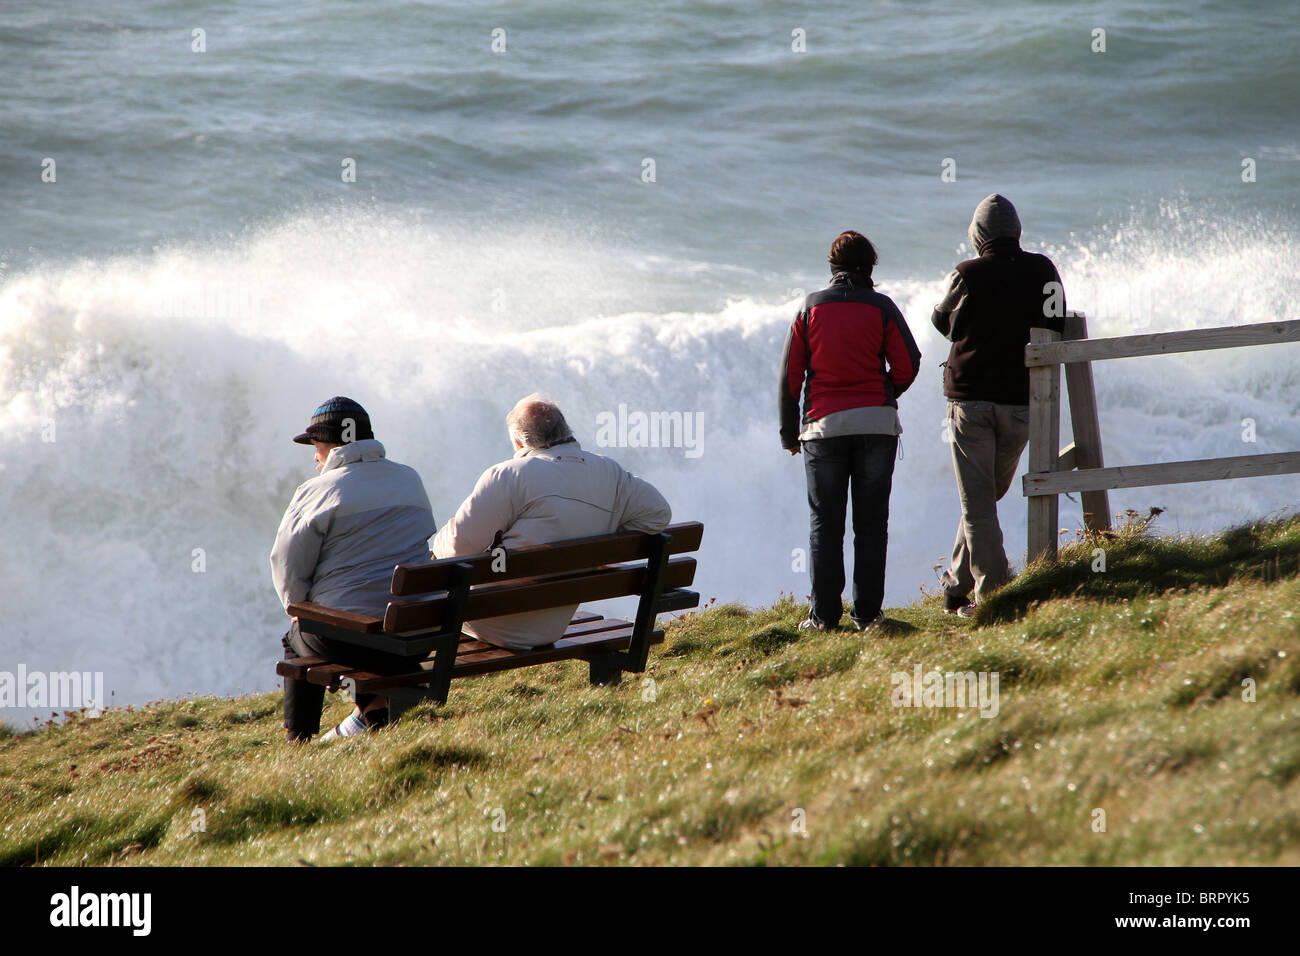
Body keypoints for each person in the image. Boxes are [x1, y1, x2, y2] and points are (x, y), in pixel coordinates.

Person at [433, 394, 671, 649]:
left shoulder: (508, 475)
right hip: (552, 624)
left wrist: (439, 542)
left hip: (495, 622)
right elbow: (658, 513)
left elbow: (458, 549)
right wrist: (605, 537)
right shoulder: (610, 472)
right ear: (567, 431)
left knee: (429, 580)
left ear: (518, 442)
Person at [270, 396, 436, 743]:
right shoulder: (410, 479)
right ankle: (372, 709)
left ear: (330, 445)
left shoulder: (316, 491)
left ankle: (297, 740)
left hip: (349, 643)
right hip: (414, 632)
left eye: (315, 446)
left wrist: (298, 607)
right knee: (363, 619)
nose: (315, 457)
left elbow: (286, 562)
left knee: (297, 635)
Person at [779, 231, 922, 632]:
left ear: (832, 268)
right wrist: (884, 392)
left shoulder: (810, 308)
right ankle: (867, 616)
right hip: (876, 428)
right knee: (871, 524)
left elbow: (791, 377)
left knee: (825, 524)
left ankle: (824, 618)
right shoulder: (882, 307)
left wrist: (790, 435)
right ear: (870, 268)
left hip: (823, 430)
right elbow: (909, 364)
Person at [931, 194, 1066, 617]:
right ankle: (956, 586)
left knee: (978, 503)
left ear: (978, 235)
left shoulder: (967, 274)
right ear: (1016, 231)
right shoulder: (1043, 270)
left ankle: (994, 595)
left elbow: (944, 325)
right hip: (1021, 403)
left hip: (971, 403)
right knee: (984, 499)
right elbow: (1055, 323)